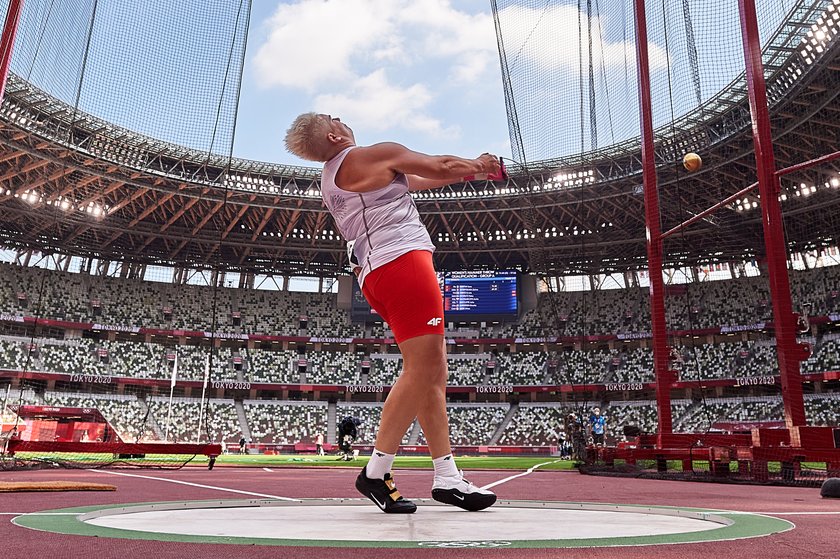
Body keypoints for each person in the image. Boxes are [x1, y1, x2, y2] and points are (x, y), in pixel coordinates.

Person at [284, 113, 501, 513]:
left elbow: (425, 179)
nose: (341, 117)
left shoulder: (336, 176)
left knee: (432, 372)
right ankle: (376, 470)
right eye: (333, 118)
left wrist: (467, 174)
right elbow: (439, 166)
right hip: (401, 261)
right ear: (334, 135)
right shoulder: (369, 155)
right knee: (422, 370)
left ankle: (447, 476)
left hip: (378, 272)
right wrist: (480, 164)